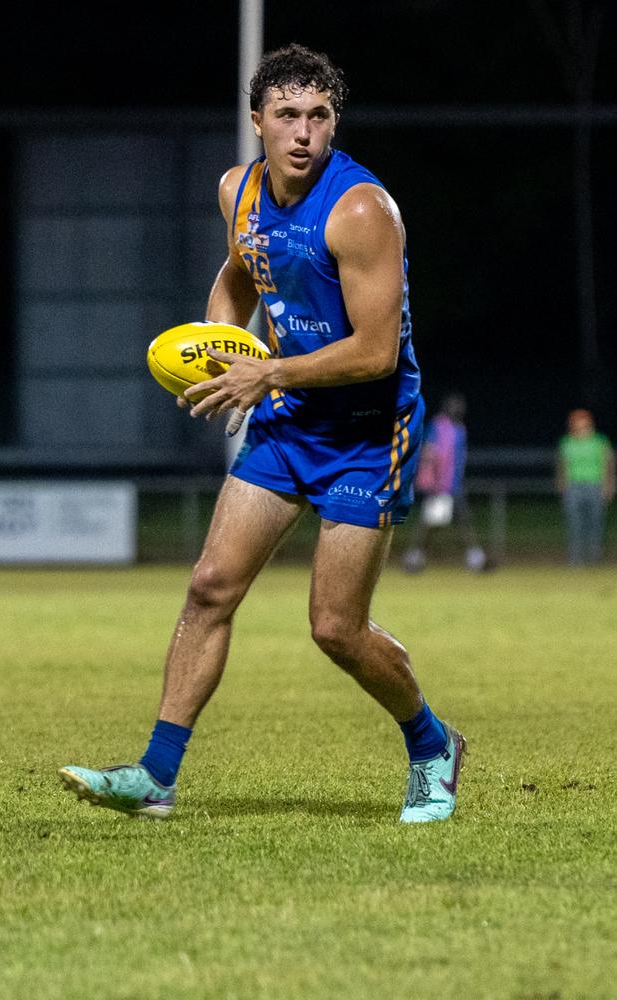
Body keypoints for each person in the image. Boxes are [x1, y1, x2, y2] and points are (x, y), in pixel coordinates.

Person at [59, 44, 466, 825]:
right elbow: (242, 270)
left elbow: (377, 353)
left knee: (335, 628)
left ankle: (431, 745)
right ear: (257, 123)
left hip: (368, 428)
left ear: (333, 123)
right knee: (210, 585)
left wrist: (266, 373)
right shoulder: (236, 192)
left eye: (319, 116)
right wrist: (226, 343)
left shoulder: (361, 212)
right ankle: (155, 776)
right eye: (287, 116)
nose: (304, 133)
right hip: (289, 417)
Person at [403, 393, 487, 572]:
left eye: (460, 406)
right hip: (438, 485)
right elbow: (429, 452)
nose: (459, 409)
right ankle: (414, 557)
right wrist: (432, 480)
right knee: (429, 524)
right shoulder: (438, 426)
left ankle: (475, 559)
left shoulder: (460, 429)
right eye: (455, 406)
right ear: (447, 408)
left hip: (454, 485)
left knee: (463, 520)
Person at [556, 409, 615, 566]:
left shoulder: (600, 441)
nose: (579, 425)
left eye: (583, 421)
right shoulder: (566, 442)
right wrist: (562, 485)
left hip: (595, 486)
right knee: (575, 523)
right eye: (576, 421)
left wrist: (609, 486)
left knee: (595, 523)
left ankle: (594, 558)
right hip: (573, 487)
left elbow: (608, 464)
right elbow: (562, 465)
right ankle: (575, 559)